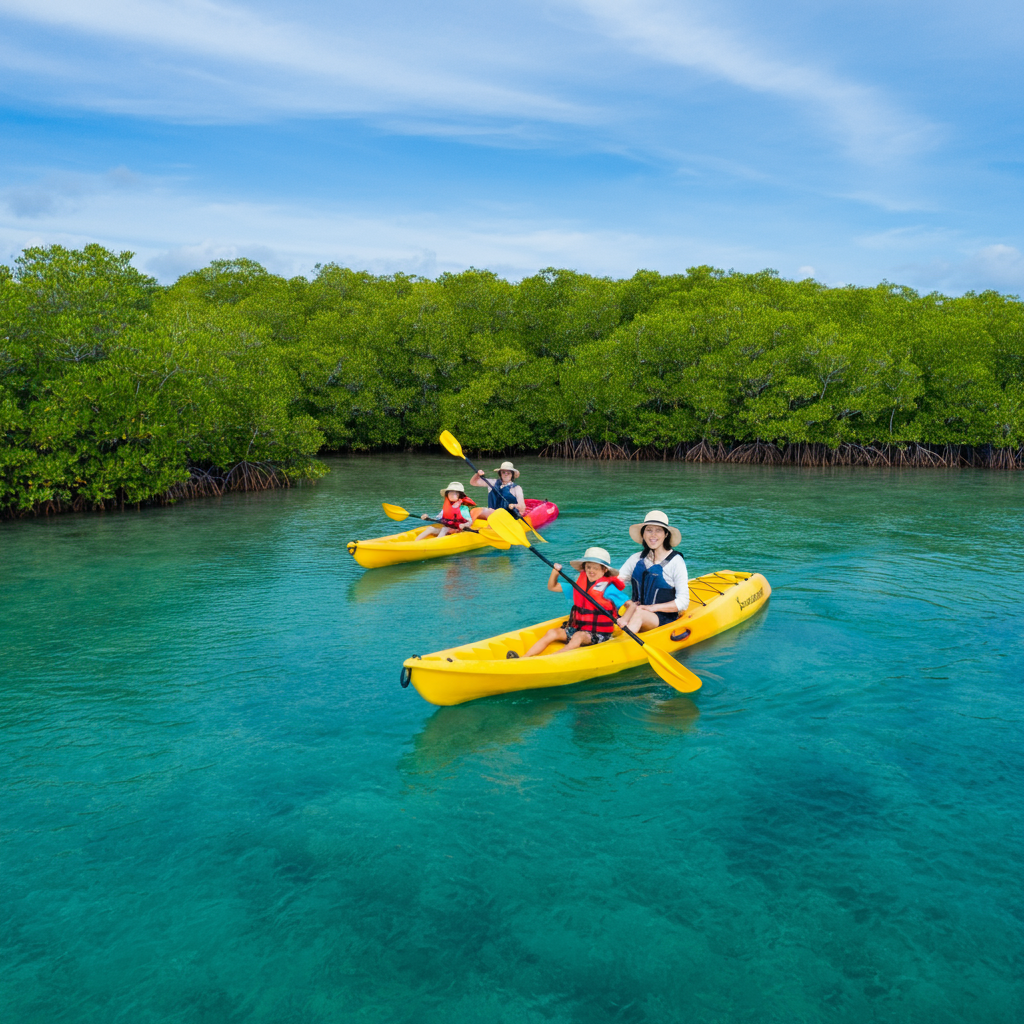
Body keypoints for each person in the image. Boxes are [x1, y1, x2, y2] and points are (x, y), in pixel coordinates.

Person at [522, 547, 630, 657]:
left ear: (604, 570)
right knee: (552, 633)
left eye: (595, 568)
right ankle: (523, 659)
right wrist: (555, 572)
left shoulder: (608, 589)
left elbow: (631, 605)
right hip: (576, 628)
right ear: (584, 567)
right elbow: (552, 587)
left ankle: (549, 659)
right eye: (588, 567)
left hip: (599, 634)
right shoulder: (579, 587)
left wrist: (624, 619)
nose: (591, 570)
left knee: (578, 636)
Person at [614, 510, 689, 633]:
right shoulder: (636, 559)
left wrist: (651, 608)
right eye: (649, 530)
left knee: (640, 613)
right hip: (635, 611)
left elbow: (683, 602)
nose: (653, 535)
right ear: (643, 534)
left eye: (658, 530)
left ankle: (620, 644)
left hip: (662, 617)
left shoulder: (676, 562)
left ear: (666, 534)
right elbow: (617, 582)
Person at [414, 482, 478, 540]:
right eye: (450, 492)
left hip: (458, 530)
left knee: (445, 529)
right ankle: (415, 543)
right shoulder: (447, 508)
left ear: (460, 496)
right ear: (447, 494)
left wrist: (464, 525)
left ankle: (436, 545)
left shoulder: (463, 508)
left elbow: (469, 521)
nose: (452, 494)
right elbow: (437, 518)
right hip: (447, 529)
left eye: (455, 493)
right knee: (430, 529)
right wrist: (427, 517)